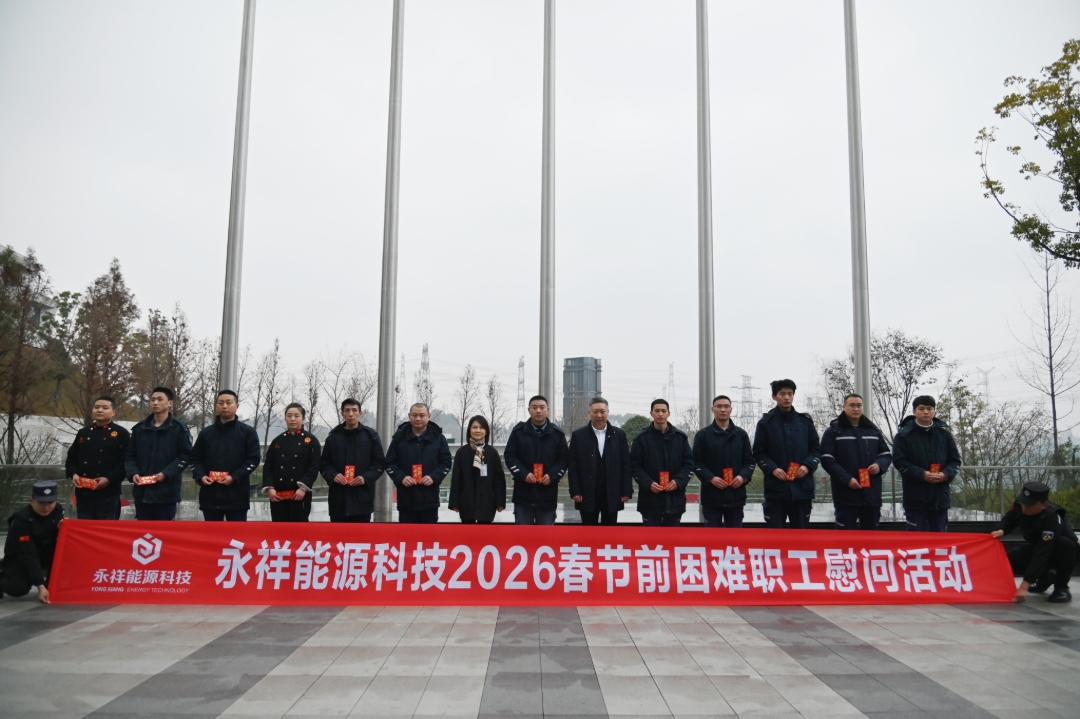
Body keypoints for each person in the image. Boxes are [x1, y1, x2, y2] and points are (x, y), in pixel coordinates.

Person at [992, 481, 1076, 604]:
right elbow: (1010, 518)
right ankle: (1045, 578)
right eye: (1023, 502)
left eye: (1030, 504)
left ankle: (1062, 587)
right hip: (1037, 546)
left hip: (1063, 553)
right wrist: (1002, 530)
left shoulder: (1052, 517)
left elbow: (1042, 553)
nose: (1025, 507)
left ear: (1044, 505)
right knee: (1007, 561)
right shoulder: (1020, 505)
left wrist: (1023, 587)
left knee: (1064, 543)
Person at [752, 379, 821, 529]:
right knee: (775, 536)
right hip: (776, 489)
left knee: (801, 535)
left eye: (790, 394)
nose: (787, 397)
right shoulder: (766, 423)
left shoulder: (805, 422)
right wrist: (772, 469)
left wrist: (807, 466)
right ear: (774, 397)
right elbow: (759, 452)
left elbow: (816, 449)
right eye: (782, 394)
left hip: (802, 488)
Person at [819, 393, 892, 530]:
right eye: (852, 405)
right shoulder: (833, 432)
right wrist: (847, 479)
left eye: (859, 405)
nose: (856, 409)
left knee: (871, 535)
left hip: (871, 494)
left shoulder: (873, 431)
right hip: (845, 494)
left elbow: (886, 454)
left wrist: (879, 465)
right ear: (844, 407)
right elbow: (827, 459)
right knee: (844, 535)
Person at [892, 395, 962, 532]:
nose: (926, 412)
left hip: (940, 497)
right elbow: (899, 461)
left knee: (939, 536)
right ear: (914, 411)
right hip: (915, 497)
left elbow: (955, 460)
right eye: (921, 408)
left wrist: (945, 474)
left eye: (929, 408)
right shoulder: (903, 435)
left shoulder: (945, 435)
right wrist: (922, 474)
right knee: (915, 538)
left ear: (934, 411)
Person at [191, 390, 261, 522]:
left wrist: (234, 477)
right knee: (211, 533)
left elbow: (253, 459)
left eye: (229, 403)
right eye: (221, 403)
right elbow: (195, 458)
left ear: (237, 406)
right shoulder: (206, 433)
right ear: (216, 406)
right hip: (210, 495)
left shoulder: (247, 432)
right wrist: (201, 476)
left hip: (237, 496)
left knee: (236, 534)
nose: (224, 406)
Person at [125, 387, 192, 521]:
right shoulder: (140, 429)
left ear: (170, 403)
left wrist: (166, 473)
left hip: (166, 492)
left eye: (160, 399)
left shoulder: (179, 428)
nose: (155, 403)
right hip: (142, 492)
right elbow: (130, 456)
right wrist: (133, 473)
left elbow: (186, 455)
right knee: (143, 530)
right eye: (152, 400)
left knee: (164, 531)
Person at [504, 395, 568, 525]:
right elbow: (510, 456)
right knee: (523, 535)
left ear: (547, 410)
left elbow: (564, 459)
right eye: (534, 407)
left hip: (547, 496)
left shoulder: (557, 434)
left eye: (542, 407)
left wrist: (552, 476)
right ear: (529, 410)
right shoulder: (518, 432)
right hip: (523, 495)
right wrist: (523, 474)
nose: (538, 411)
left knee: (545, 535)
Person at [568, 397, 632, 526]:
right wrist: (575, 490)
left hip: (612, 491)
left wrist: (626, 491)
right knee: (588, 530)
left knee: (610, 530)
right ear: (589, 413)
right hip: (587, 491)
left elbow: (626, 465)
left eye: (602, 411)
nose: (599, 415)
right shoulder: (579, 435)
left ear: (608, 412)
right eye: (595, 411)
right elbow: (573, 466)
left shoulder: (619, 435)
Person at [319, 398, 385, 523]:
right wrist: (333, 475)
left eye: (354, 410)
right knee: (338, 535)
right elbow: (324, 464)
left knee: (361, 534)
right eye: (347, 410)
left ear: (360, 413)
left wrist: (365, 478)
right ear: (342, 414)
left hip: (362, 499)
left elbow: (379, 464)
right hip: (338, 500)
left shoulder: (371, 436)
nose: (351, 414)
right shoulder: (333, 437)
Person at [630, 399, 694, 527]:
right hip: (650, 500)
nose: (660, 414)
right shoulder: (641, 438)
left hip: (675, 500)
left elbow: (689, 464)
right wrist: (648, 483)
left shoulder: (680, 437)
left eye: (663, 411)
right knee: (651, 538)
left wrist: (678, 481)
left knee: (673, 537)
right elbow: (635, 466)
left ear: (669, 413)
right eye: (657, 411)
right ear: (651, 413)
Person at [693, 395, 755, 528]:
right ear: (712, 409)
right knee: (712, 537)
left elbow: (749, 462)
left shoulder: (741, 435)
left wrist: (742, 477)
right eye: (719, 406)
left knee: (735, 536)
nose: (722, 410)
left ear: (731, 409)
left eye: (726, 406)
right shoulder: (703, 435)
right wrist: (711, 478)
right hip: (711, 497)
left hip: (736, 496)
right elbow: (697, 463)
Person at [385, 403, 453, 524]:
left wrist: (433, 477)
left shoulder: (438, 438)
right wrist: (401, 477)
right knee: (407, 534)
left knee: (429, 534)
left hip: (430, 499)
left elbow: (446, 462)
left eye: (422, 415)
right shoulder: (399, 438)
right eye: (414, 415)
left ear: (429, 416)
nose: (418, 419)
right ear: (409, 416)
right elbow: (390, 462)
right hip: (406, 499)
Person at [65, 395, 130, 520]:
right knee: (84, 527)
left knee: (106, 528)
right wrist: (73, 474)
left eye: (105, 408)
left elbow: (126, 462)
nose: (99, 410)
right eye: (96, 407)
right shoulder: (84, 432)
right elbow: (71, 458)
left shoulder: (121, 433)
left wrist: (109, 479)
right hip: (83, 493)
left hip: (108, 493)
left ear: (113, 412)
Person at [0, 481, 64, 603]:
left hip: (44, 554)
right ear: (32, 501)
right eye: (41, 503)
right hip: (20, 559)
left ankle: (50, 583)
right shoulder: (21, 521)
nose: (46, 507)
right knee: (18, 588)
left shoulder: (58, 511)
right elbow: (28, 555)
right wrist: (40, 586)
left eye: (50, 502)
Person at [261, 403, 321, 522]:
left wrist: (303, 488)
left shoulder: (311, 440)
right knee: (279, 528)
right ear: (285, 418)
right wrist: (270, 489)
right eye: (289, 416)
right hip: (278, 495)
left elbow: (314, 466)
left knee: (299, 528)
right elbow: (268, 466)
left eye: (296, 416)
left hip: (299, 494)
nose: (292, 419)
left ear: (303, 418)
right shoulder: (277, 441)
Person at [449, 415, 506, 524]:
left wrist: (500, 502)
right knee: (468, 532)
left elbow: (498, 479)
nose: (478, 430)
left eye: (481, 427)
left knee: (485, 532)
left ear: (486, 431)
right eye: (474, 427)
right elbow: (456, 479)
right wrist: (454, 502)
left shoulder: (492, 452)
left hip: (487, 502)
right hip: (466, 501)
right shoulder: (461, 452)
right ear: (469, 430)